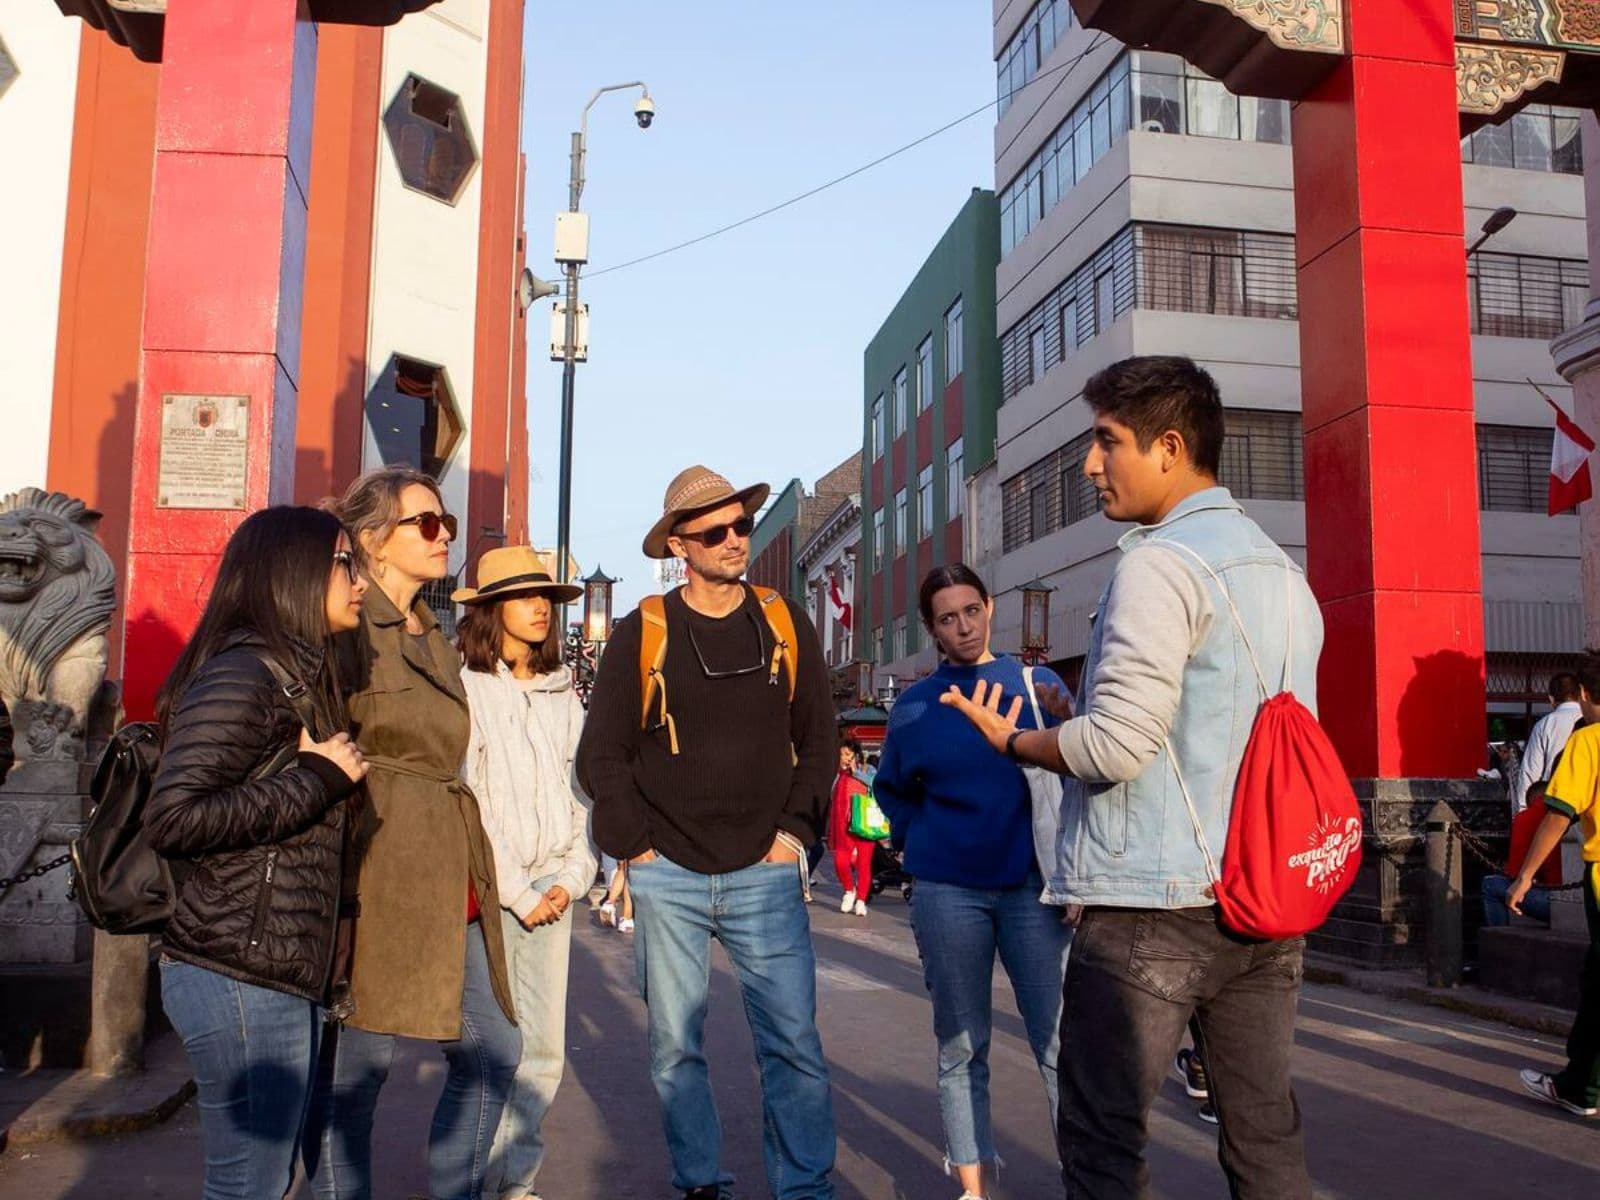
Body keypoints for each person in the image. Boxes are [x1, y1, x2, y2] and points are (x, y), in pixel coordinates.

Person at [942, 356, 1323, 1198]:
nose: (1090, 464)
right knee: (1264, 1137)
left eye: (1107, 442)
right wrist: (1077, 709)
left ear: (1170, 448)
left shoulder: (1160, 565)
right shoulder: (1281, 571)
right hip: (1262, 896)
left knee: (1103, 1141)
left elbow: (1118, 746)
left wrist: (1017, 740)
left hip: (1154, 904)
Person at [577, 465, 837, 1200]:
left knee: (794, 1045)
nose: (734, 540)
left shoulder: (784, 621)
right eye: (715, 531)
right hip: (669, 874)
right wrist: (636, 847)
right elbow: (602, 755)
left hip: (766, 872)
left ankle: (805, 1189)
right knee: (674, 1050)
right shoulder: (644, 631)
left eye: (741, 525)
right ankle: (700, 1182)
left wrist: (793, 837)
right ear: (679, 547)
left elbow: (820, 740)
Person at [304, 468, 521, 1200]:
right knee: (356, 1071)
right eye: (425, 523)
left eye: (446, 522)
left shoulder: (434, 634)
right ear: (372, 540)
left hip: (447, 865)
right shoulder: (348, 624)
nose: (443, 535)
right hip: (374, 865)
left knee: (495, 1049)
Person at [145, 506, 370, 1200]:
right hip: (238, 968)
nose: (360, 582)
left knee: (263, 1181)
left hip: (270, 966)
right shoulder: (245, 674)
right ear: (292, 573)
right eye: (345, 564)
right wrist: (316, 780)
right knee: (250, 1183)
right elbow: (173, 817)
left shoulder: (295, 675)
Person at [873, 564, 1073, 1200]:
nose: (963, 626)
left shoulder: (1037, 686)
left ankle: (1087, 1178)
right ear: (931, 629)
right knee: (962, 1045)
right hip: (948, 891)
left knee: (1060, 1043)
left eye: (971, 610)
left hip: (1032, 890)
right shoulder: (916, 706)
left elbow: (1078, 772)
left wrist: (1069, 720)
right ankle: (974, 1186)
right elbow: (890, 789)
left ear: (990, 607)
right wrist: (921, 838)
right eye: (947, 618)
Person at [456, 546, 597, 1200]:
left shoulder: (562, 693)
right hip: (493, 893)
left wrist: (574, 875)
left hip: (554, 888)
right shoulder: (467, 689)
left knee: (543, 1053)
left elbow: (583, 793)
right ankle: (476, 1179)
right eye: (524, 596)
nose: (541, 607)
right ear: (492, 609)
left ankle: (515, 1183)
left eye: (547, 597)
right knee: (494, 1049)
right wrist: (516, 891)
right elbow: (470, 799)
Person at [1510, 653, 1600, 1117]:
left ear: (1584, 694)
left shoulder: (1588, 742)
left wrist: (1525, 876)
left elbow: (1558, 815)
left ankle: (1580, 1088)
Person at [1483, 779, 1563, 926]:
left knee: (1490, 885)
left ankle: (1501, 937)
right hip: (1583, 895)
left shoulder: (1525, 818)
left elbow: (1515, 873)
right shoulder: (1567, 815)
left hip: (1555, 901)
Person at [1514, 673, 1584, 813]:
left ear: (1551, 699)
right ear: (1581, 695)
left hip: (1555, 805)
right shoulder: (1591, 721)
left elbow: (1530, 773)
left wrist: (1522, 812)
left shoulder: (1545, 724)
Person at [829, 740, 874, 915]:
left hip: (864, 823)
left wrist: (856, 773)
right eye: (841, 754)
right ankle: (849, 890)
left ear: (856, 755)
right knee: (840, 861)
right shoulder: (838, 774)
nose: (844, 758)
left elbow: (876, 785)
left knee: (864, 864)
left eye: (847, 754)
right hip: (843, 826)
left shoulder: (867, 770)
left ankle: (861, 900)